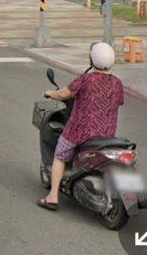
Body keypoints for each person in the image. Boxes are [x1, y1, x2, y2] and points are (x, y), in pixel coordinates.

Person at [37, 42, 124, 211]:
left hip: (80, 133)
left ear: (92, 59)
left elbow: (64, 93)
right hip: (106, 136)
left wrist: (50, 93)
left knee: (60, 154)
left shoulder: (86, 79)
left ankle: (52, 196)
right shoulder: (117, 83)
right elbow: (118, 101)